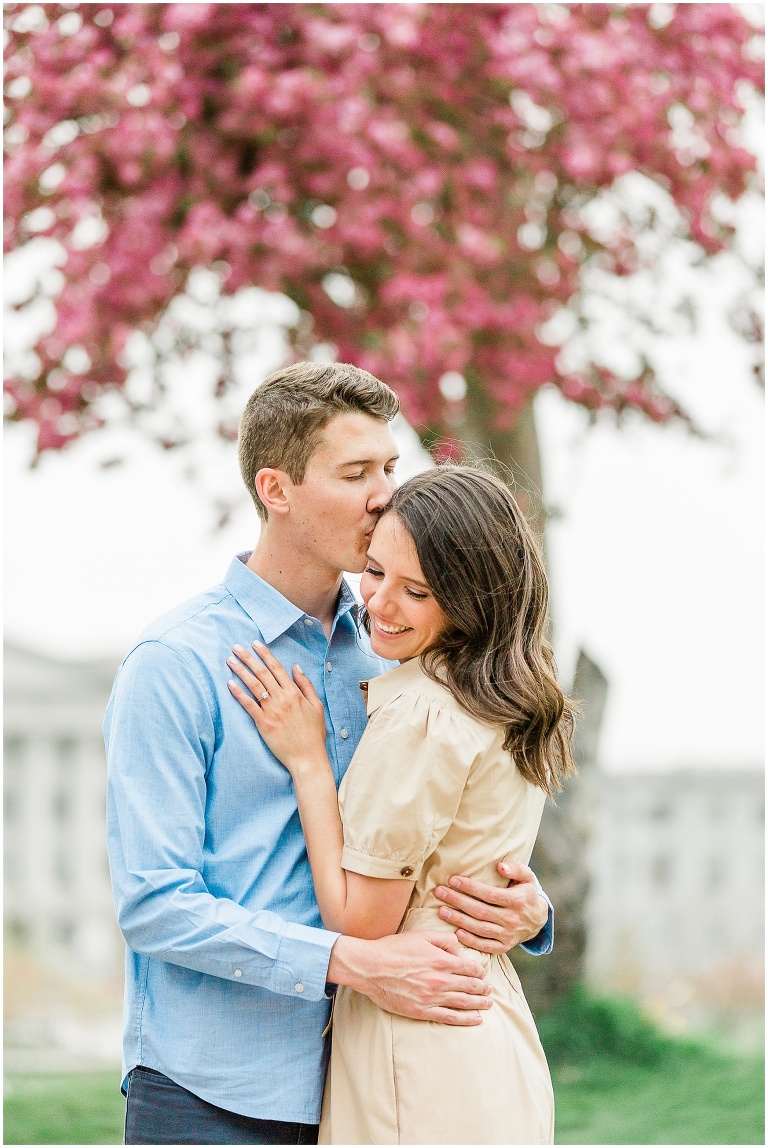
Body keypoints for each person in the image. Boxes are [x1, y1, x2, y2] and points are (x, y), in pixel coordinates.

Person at [105, 362, 555, 1146]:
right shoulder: (174, 664)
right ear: (276, 490)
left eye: (389, 467)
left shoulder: (400, 651)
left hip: (373, 1080)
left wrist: (526, 905)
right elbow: (153, 903)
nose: (386, 494)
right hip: (214, 1094)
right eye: (356, 473)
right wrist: (350, 961)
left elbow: (437, 819)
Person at [228, 464, 576, 1145]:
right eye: (376, 571)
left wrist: (307, 763)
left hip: (417, 1042)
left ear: (473, 598)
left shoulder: (421, 712)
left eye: (415, 590)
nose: (379, 604)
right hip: (487, 1026)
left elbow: (360, 922)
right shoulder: (503, 697)